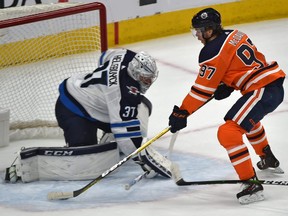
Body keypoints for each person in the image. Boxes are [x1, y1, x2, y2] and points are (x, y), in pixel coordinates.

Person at [168, 8, 285, 204]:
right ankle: (268, 157)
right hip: (270, 85)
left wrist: (182, 112)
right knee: (247, 122)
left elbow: (201, 90)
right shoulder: (234, 34)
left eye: (199, 31)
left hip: (262, 89)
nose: (197, 35)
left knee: (228, 132)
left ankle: (250, 183)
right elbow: (238, 65)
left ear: (210, 30)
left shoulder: (211, 51)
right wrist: (228, 84)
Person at [5, 49, 172, 183]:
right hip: (72, 108)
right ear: (134, 72)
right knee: (85, 162)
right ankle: (29, 164)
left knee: (141, 107)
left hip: (95, 102)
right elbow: (126, 135)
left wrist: (102, 87)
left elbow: (105, 56)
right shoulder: (122, 93)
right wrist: (143, 161)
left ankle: (109, 133)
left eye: (150, 78)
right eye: (144, 78)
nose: (147, 82)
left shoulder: (128, 56)